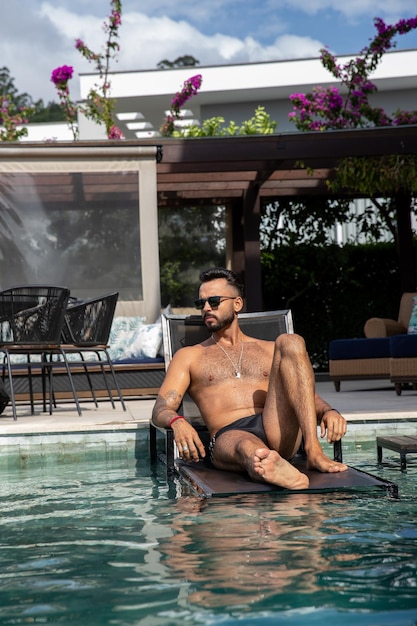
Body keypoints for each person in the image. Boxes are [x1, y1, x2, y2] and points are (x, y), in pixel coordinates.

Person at [152, 267, 348, 490]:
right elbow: (161, 408)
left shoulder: (269, 350)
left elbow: (305, 395)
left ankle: (313, 451)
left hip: (275, 425)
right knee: (248, 447)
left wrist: (329, 411)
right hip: (229, 434)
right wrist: (176, 421)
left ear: (237, 304)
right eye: (201, 303)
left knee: (291, 341)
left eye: (214, 301)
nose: (206, 308)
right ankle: (267, 465)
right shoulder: (189, 356)